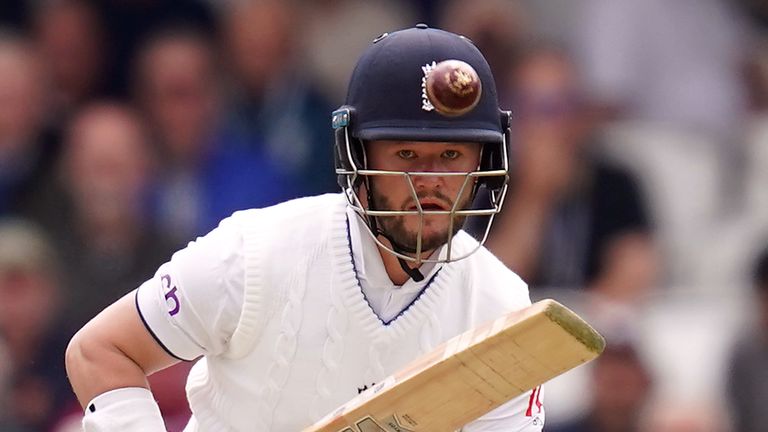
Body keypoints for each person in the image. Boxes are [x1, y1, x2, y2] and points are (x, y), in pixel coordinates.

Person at [65, 26, 545, 431]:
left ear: (486, 160)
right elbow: (101, 349)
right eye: (405, 156)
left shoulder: (499, 306)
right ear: (356, 156)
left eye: (451, 157)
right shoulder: (257, 254)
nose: (430, 182)